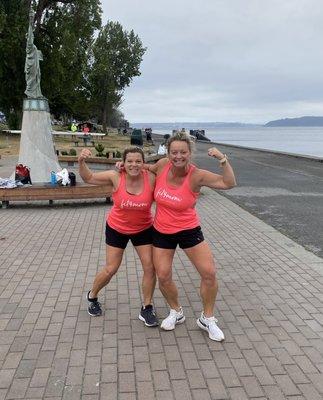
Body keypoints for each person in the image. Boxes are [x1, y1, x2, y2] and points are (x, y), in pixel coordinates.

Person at [147, 132, 236, 341]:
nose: (178, 156)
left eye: (183, 152)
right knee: (163, 275)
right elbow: (145, 171)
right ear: (167, 153)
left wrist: (223, 160)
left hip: (189, 230)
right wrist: (124, 168)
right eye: (174, 152)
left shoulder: (197, 175)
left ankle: (207, 318)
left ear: (190, 153)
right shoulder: (161, 165)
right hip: (161, 231)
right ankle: (176, 311)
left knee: (209, 273)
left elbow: (228, 183)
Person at [78, 147, 159, 326]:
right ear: (123, 162)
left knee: (150, 267)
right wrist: (81, 162)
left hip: (143, 228)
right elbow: (88, 177)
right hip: (117, 228)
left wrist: (147, 168)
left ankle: (147, 307)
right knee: (111, 268)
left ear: (143, 162)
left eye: (138, 161)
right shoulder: (116, 177)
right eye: (130, 161)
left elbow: (166, 167)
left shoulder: (151, 179)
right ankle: (92, 296)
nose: (134, 165)